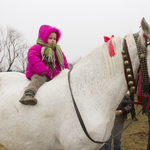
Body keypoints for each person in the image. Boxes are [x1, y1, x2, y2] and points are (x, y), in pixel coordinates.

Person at [19, 25, 69, 105]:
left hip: (53, 74)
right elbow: (32, 57)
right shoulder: (37, 48)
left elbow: (64, 63)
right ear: (44, 38)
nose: (53, 41)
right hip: (38, 72)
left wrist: (66, 73)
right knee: (40, 79)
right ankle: (28, 93)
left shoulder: (58, 51)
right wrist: (41, 69)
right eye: (50, 38)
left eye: (54, 39)